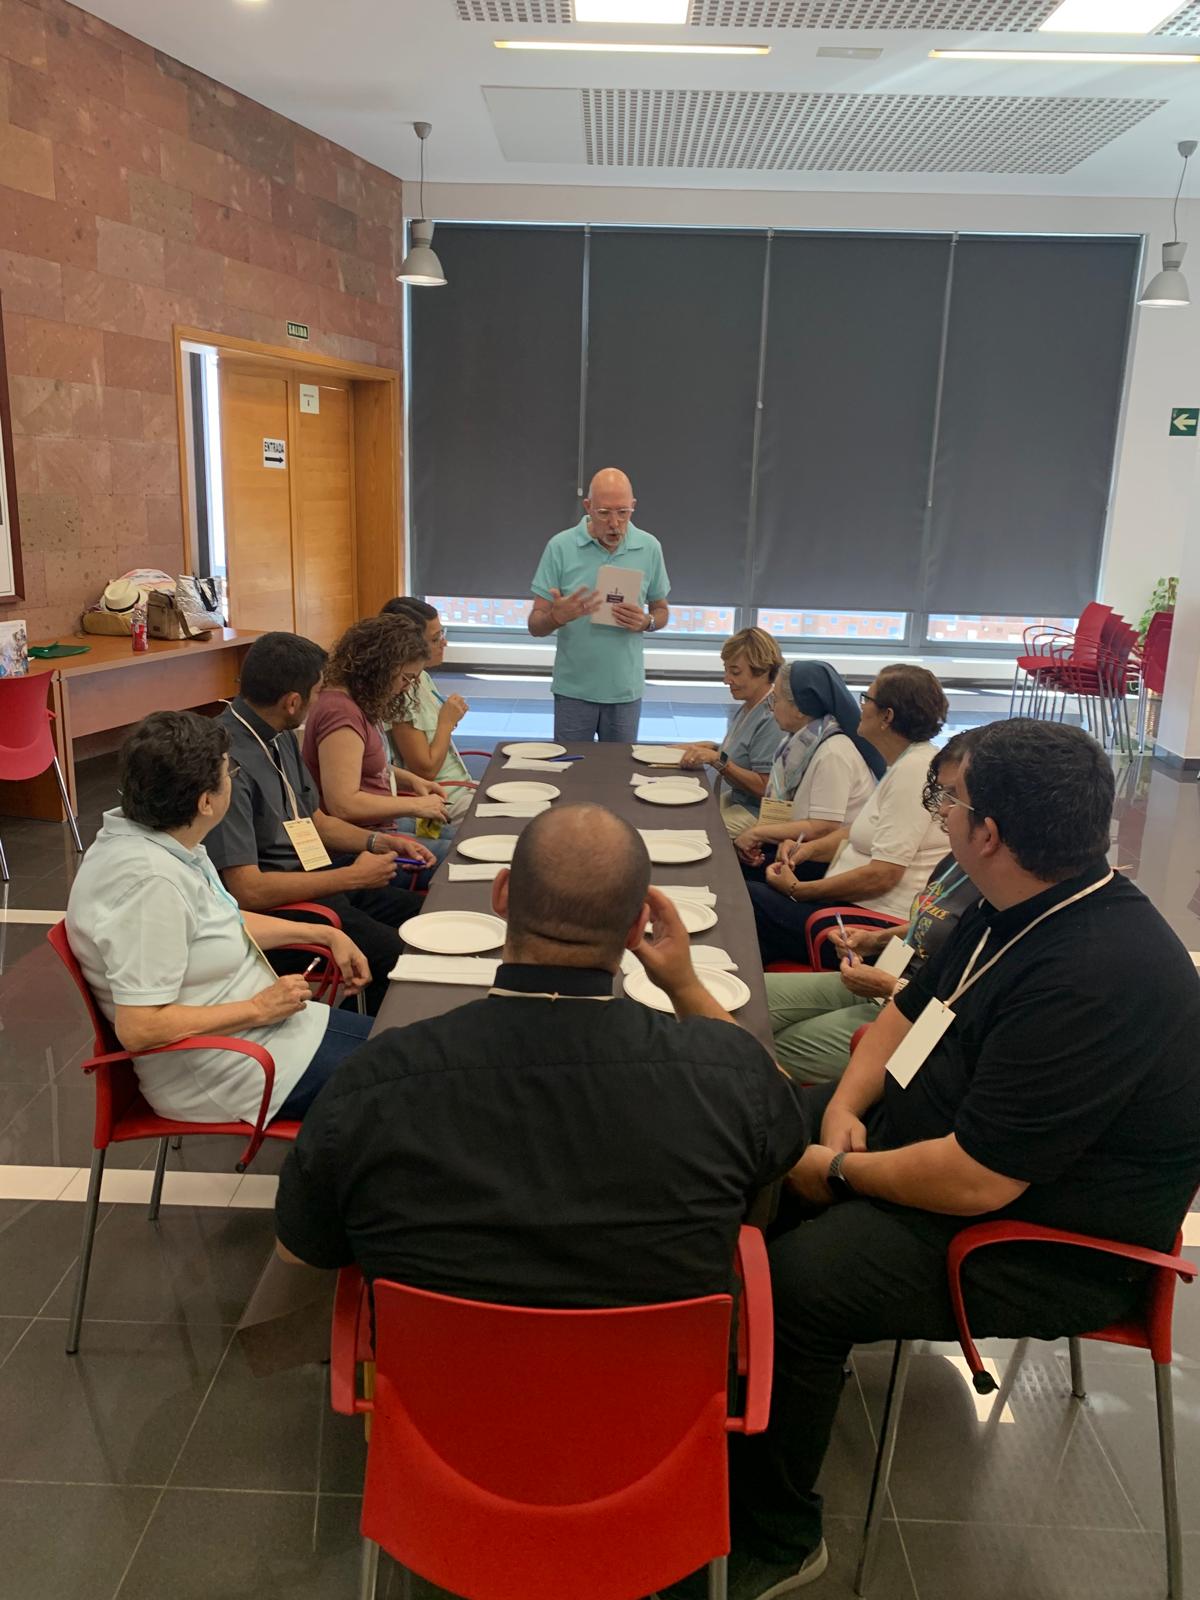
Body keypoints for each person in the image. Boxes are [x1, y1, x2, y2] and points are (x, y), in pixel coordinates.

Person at [673, 720, 1200, 1600]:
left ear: (988, 832)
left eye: (947, 800)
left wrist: (836, 1172)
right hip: (928, 1146)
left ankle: (777, 1534)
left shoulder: (1100, 973)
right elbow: (905, 1015)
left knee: (802, 1285)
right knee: (748, 1131)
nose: (940, 814)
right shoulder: (1008, 902)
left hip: (1035, 1237)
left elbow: (979, 1179)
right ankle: (718, 1397)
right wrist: (843, 1111)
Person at [275, 802, 808, 1314]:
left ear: (501, 895)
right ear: (636, 929)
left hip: (440, 1373)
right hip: (659, 1374)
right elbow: (784, 1115)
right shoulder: (724, 1076)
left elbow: (301, 1251)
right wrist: (684, 984)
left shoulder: (373, 1080)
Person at [64, 711, 376, 1125]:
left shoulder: (165, 840)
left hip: (270, 1034)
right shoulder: (150, 884)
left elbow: (221, 921)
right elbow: (140, 1028)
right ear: (206, 802)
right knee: (412, 1079)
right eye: (229, 774)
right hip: (232, 1068)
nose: (233, 780)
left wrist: (324, 934)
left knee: (406, 1047)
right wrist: (257, 1008)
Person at [204, 631, 438, 1017]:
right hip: (281, 907)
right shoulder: (226, 764)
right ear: (292, 701)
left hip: (318, 876)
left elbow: (315, 821)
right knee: (399, 956)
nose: (321, 700)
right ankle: (373, 1037)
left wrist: (380, 842)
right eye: (317, 691)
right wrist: (351, 878)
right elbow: (248, 891)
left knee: (427, 916)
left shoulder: (278, 735)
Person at [766, 732, 979, 1082]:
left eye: (953, 796)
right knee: (751, 999)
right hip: (888, 984)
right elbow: (931, 926)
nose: (942, 809)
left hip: (912, 1012)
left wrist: (890, 987)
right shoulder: (958, 860)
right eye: (943, 795)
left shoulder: (1000, 895)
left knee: (767, 1046)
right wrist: (874, 940)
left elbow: (963, 1014)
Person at [748, 664, 950, 969]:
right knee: (752, 903)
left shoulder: (914, 772)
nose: (860, 706)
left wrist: (798, 891)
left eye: (867, 699)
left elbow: (883, 874)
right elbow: (857, 832)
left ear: (887, 716)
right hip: (850, 907)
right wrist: (807, 850)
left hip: (867, 928)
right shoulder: (906, 762)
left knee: (745, 897)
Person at [528, 468, 671, 745]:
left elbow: (661, 610)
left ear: (633, 506)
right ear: (588, 507)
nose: (615, 523)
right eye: (604, 513)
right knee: (570, 767)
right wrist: (556, 617)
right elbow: (535, 625)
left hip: (624, 691)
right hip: (573, 690)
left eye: (623, 513)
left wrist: (647, 622)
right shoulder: (560, 547)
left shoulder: (649, 547)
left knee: (618, 769)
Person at [301, 614, 451, 862]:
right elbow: (343, 804)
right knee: (458, 856)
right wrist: (416, 805)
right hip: (356, 845)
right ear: (381, 669)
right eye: (406, 678)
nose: (406, 688)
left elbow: (363, 765)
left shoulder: (357, 701)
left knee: (463, 838)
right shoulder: (340, 713)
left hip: (378, 827)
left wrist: (412, 781)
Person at [734, 660, 883, 879]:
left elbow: (824, 827)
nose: (772, 707)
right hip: (798, 847)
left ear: (799, 709)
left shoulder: (833, 752)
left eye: (776, 699)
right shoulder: (800, 741)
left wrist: (757, 833)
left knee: (731, 874)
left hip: (824, 863)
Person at [673, 628, 784, 838]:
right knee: (681, 813)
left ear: (762, 671)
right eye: (726, 671)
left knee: (689, 831)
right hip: (738, 800)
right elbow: (744, 752)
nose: (726, 679)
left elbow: (765, 788)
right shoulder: (752, 705)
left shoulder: (770, 717)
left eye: (735, 672)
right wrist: (709, 747)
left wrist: (717, 759)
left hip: (757, 812)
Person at [379, 596, 473, 828]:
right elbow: (426, 770)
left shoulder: (423, 678)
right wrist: (446, 723)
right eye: (435, 638)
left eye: (442, 634)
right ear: (410, 646)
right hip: (441, 798)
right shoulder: (401, 689)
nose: (444, 643)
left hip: (459, 787)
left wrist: (447, 721)